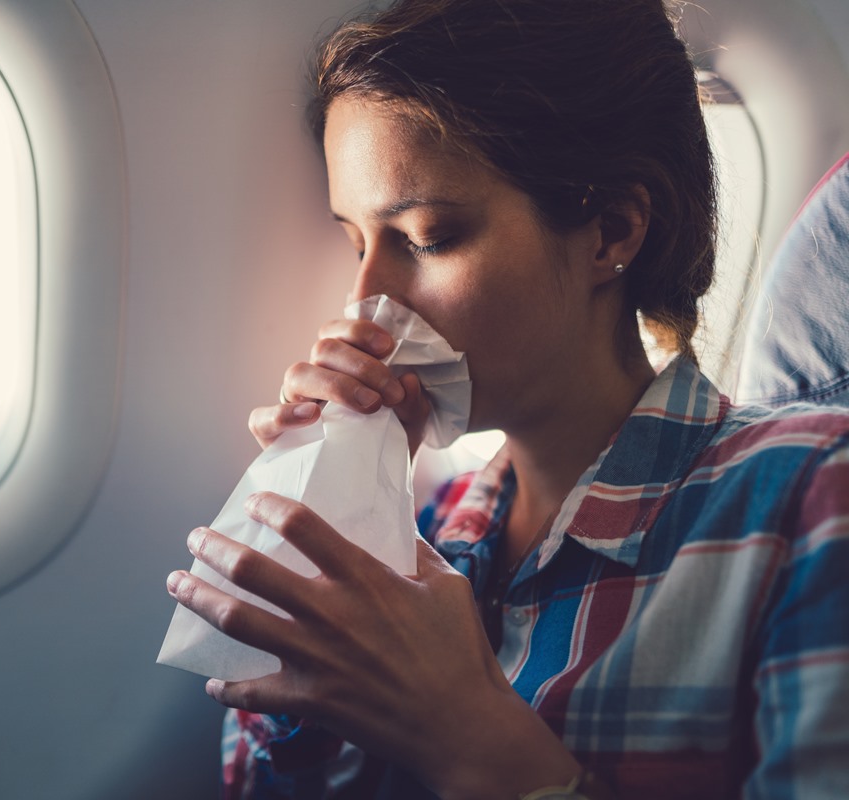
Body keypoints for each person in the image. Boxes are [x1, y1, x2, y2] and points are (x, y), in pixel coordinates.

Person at [164, 0, 849, 797]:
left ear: (612, 232)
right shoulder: (418, 534)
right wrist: (332, 495)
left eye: (427, 238)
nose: (365, 300)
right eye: (356, 245)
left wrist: (468, 736)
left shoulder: (809, 496)